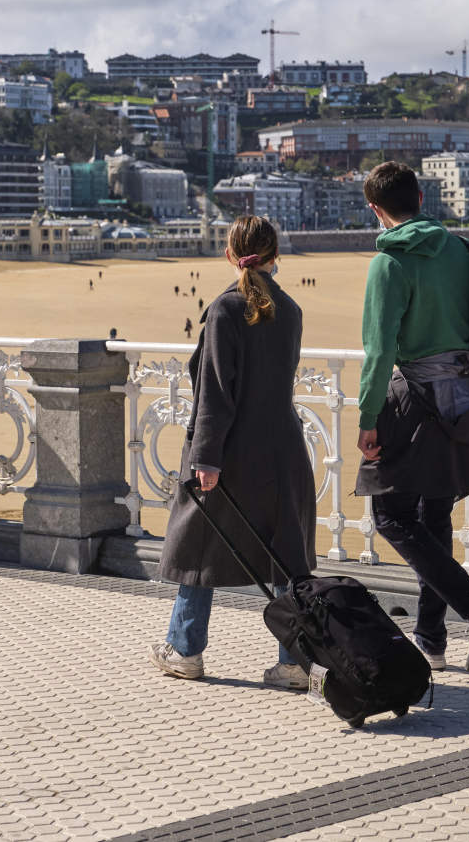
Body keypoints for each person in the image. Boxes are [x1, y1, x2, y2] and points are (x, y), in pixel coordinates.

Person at [354, 161, 469, 673]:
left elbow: (379, 352)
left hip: (418, 400)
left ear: (376, 210)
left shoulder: (389, 262)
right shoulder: (459, 250)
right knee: (433, 515)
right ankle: (430, 638)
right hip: (465, 397)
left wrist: (367, 417)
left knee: (391, 515)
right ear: (422, 199)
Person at [150, 215, 316, 690]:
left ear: (230, 253)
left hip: (231, 451)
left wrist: (205, 457)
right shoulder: (290, 308)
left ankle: (185, 650)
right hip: (282, 450)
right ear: (275, 254)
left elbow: (216, 392)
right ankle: (294, 662)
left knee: (198, 546)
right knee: (285, 554)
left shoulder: (225, 310)